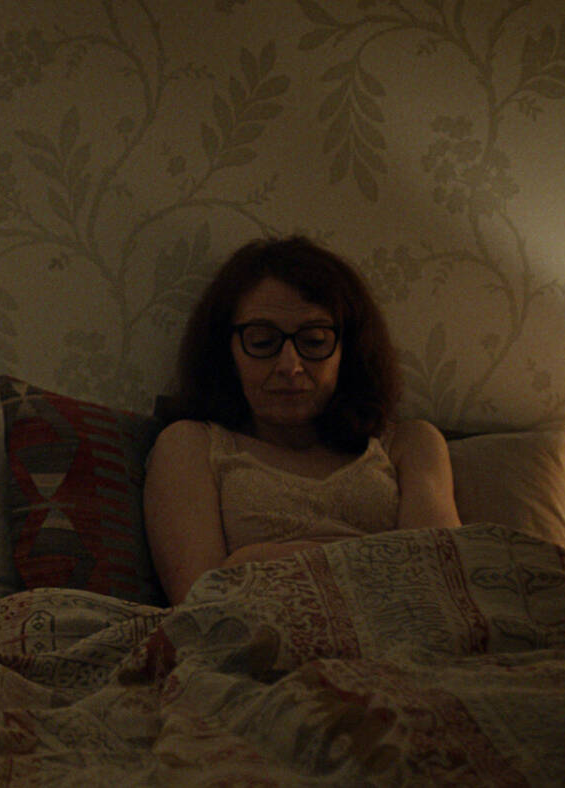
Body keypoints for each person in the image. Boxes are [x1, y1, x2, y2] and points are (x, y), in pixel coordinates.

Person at [143, 236, 461, 604]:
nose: (290, 366)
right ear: (226, 352)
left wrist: (249, 560)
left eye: (314, 341)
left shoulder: (410, 443)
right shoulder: (191, 444)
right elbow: (199, 600)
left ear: (347, 350)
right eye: (262, 342)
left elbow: (444, 581)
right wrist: (374, 558)